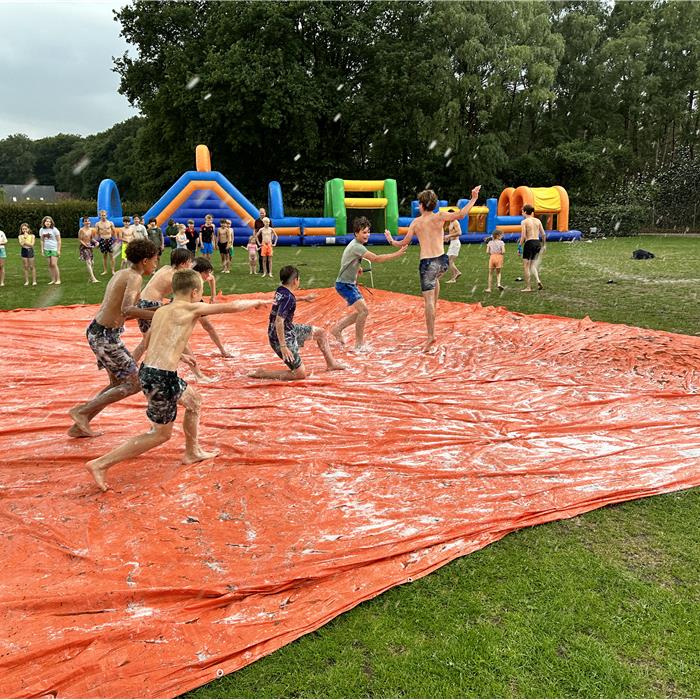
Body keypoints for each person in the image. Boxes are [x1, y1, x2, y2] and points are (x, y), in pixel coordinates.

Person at [85, 268, 271, 492]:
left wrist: (179, 354)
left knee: (194, 401)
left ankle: (192, 451)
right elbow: (232, 306)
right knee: (160, 435)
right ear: (194, 292)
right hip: (160, 378)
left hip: (153, 372)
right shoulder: (192, 307)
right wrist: (259, 300)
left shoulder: (162, 310)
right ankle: (100, 464)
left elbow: (150, 339)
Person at [67, 239, 160, 439]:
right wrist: (159, 314)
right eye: (154, 260)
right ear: (145, 260)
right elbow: (127, 309)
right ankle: (82, 412)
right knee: (134, 383)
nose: (156, 265)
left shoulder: (123, 273)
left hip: (100, 332)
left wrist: (159, 309)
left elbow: (124, 313)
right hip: (105, 337)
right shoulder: (134, 278)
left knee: (118, 383)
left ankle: (79, 425)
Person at [385, 186, 481, 351]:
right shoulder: (440, 216)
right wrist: (473, 198)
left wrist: (391, 241)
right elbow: (462, 214)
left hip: (428, 263)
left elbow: (404, 243)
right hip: (442, 262)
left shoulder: (416, 222)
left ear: (421, 205)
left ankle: (430, 337)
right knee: (435, 285)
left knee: (428, 302)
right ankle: (433, 313)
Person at [131, 251, 233, 367]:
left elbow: (210, 278)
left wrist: (213, 295)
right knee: (174, 337)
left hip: (145, 303)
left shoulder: (167, 268)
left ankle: (130, 367)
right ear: (183, 264)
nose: (191, 264)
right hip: (152, 305)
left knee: (147, 342)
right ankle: (194, 370)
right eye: (190, 262)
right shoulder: (176, 277)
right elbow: (183, 297)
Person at [249, 265, 344, 381]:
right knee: (300, 374)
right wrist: (283, 346)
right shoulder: (288, 298)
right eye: (299, 279)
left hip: (287, 329)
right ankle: (263, 373)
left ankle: (331, 364)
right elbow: (279, 321)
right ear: (295, 280)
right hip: (280, 337)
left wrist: (303, 298)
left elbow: (285, 301)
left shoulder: (281, 290)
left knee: (321, 333)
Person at [331, 216, 406, 351]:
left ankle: (337, 329)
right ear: (356, 233)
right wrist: (397, 254)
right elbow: (376, 258)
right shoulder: (357, 247)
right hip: (345, 285)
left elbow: (348, 260)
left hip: (347, 284)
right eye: (364, 232)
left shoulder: (356, 245)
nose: (367, 235)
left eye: (368, 232)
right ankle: (358, 344)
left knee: (362, 312)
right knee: (364, 311)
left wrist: (357, 268)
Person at [519, 204, 546, 291]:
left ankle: (528, 287)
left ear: (525, 212)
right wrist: (544, 245)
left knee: (526, 266)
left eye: (522, 211)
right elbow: (543, 234)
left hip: (529, 242)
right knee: (532, 265)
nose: (522, 213)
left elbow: (523, 236)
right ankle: (538, 281)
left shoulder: (524, 222)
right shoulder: (537, 220)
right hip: (537, 243)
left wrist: (519, 246)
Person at [39, 215, 61, 285]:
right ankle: (53, 280)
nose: (47, 223)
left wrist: (58, 250)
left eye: (49, 221)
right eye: (46, 221)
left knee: (54, 264)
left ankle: (58, 279)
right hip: (46, 249)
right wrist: (42, 250)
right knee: (49, 265)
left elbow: (59, 240)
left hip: (54, 248)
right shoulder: (42, 230)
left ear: (51, 222)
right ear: (44, 222)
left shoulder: (54, 230)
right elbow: (42, 240)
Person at [95, 210, 118, 275]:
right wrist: (97, 242)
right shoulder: (98, 224)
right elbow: (96, 233)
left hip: (109, 239)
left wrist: (116, 240)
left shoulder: (110, 223)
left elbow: (114, 231)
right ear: (100, 216)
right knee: (104, 256)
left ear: (106, 215)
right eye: (102, 215)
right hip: (102, 240)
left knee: (111, 255)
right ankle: (105, 270)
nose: (103, 216)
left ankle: (113, 270)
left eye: (104, 215)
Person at [78, 216, 99, 284]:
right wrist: (85, 245)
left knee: (92, 263)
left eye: (88, 221)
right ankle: (93, 278)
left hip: (89, 247)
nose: (88, 222)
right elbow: (80, 239)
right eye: (86, 221)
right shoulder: (81, 230)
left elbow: (91, 239)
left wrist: (96, 242)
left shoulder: (91, 230)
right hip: (84, 247)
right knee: (88, 262)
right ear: (83, 223)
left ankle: (90, 277)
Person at [444, 218, 462, 283]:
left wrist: (449, 235)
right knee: (449, 261)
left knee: (449, 261)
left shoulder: (455, 222)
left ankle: (456, 274)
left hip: (455, 243)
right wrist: (448, 238)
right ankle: (455, 275)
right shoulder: (451, 222)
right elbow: (452, 232)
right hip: (453, 243)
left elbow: (459, 232)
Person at [254, 207, 267, 274]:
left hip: (266, 241)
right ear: (259, 213)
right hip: (259, 240)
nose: (262, 214)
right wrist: (254, 238)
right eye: (261, 213)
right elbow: (255, 230)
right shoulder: (257, 221)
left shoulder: (268, 220)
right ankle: (261, 269)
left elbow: (271, 230)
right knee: (260, 255)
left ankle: (267, 269)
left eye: (263, 213)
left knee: (267, 255)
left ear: (265, 213)